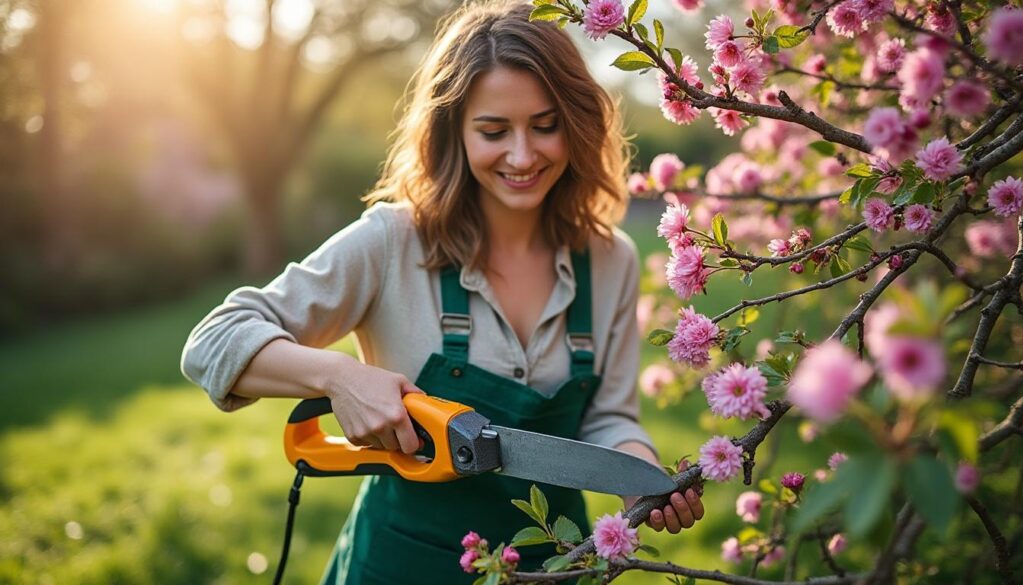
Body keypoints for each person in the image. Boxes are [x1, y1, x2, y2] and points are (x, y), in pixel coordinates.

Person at [181, 0, 704, 582]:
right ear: (452, 128)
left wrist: (639, 480)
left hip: (553, 568)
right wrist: (339, 377)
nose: (523, 155)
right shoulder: (392, 242)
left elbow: (608, 417)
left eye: (545, 125)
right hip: (402, 563)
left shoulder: (610, 260)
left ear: (577, 124)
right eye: (493, 130)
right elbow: (213, 342)